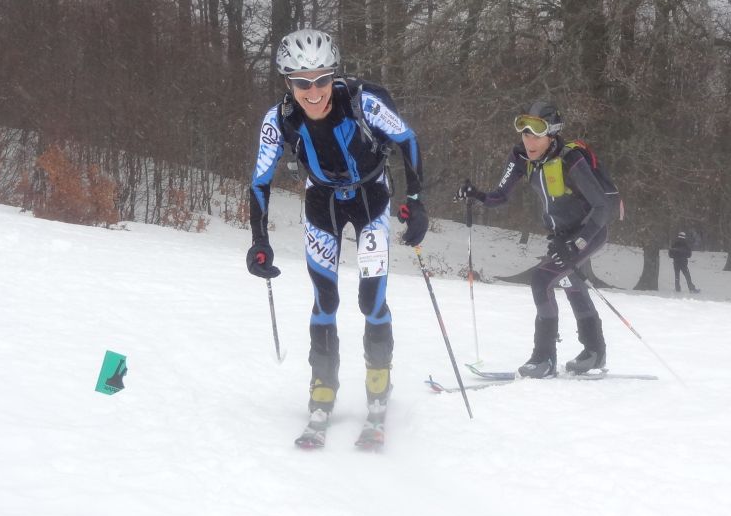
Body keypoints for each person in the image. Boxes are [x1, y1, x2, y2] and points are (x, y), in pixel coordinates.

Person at [245, 29, 427, 446]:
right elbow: (259, 181)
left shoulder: (362, 101)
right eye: (302, 82)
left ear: (334, 76)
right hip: (321, 203)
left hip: (370, 198)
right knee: (325, 299)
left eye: (322, 79)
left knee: (371, 300)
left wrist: (416, 201)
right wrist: (259, 239)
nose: (314, 92)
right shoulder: (279, 120)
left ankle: (378, 395)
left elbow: (407, 140)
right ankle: (322, 391)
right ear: (288, 83)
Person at [455, 100, 620, 378]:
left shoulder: (571, 159)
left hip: (589, 231)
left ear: (552, 133)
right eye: (524, 132)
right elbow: (500, 196)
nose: (529, 140)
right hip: (562, 235)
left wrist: (576, 243)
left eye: (537, 133)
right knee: (570, 281)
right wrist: (477, 195)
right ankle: (595, 352)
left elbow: (602, 207)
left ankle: (543, 358)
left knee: (542, 279)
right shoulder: (521, 157)